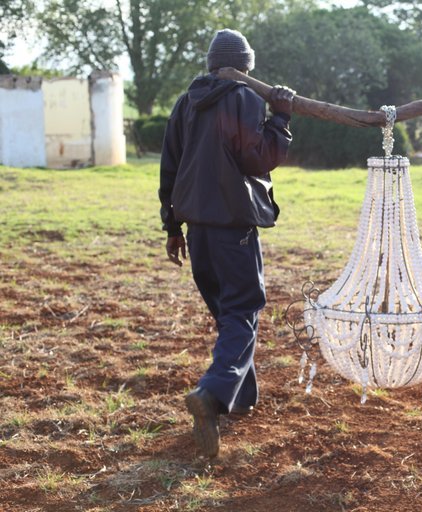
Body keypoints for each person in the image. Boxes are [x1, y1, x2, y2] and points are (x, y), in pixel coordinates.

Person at [159, 28, 294, 457]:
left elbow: (170, 166)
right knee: (243, 311)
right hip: (233, 230)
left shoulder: (185, 104)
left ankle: (240, 398)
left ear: (211, 64)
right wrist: (282, 118)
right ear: (247, 66)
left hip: (196, 231)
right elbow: (260, 158)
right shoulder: (244, 99)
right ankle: (212, 393)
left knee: (230, 317)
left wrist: (172, 227)